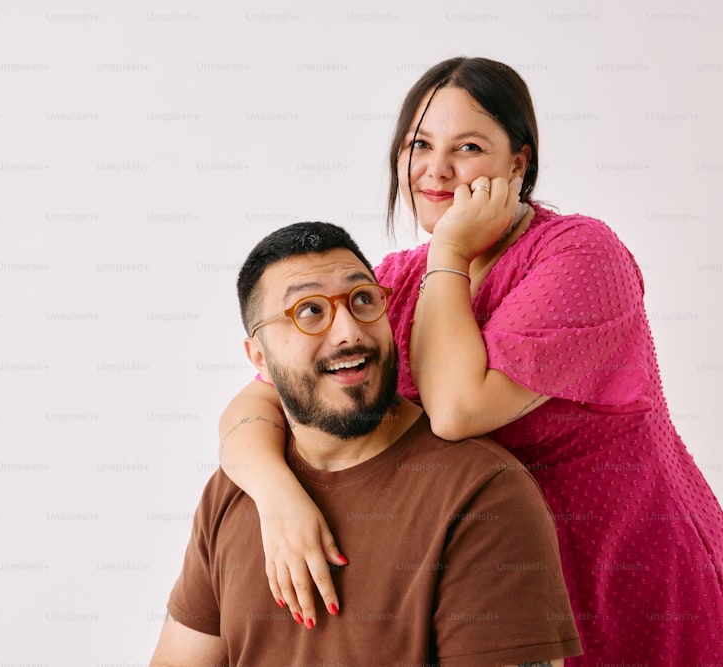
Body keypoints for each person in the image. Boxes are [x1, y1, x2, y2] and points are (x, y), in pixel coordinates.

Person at [217, 57, 723, 665]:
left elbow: (456, 411)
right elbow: (262, 394)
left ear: (519, 163)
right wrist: (278, 500)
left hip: (623, 563)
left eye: (469, 147)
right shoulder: (399, 279)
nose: (436, 169)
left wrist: (450, 248)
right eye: (420, 145)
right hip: (491, 573)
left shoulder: (581, 255)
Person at [151, 221, 582, 666]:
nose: (349, 333)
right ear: (259, 357)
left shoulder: (483, 493)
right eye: (309, 310)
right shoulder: (236, 490)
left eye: (362, 300)